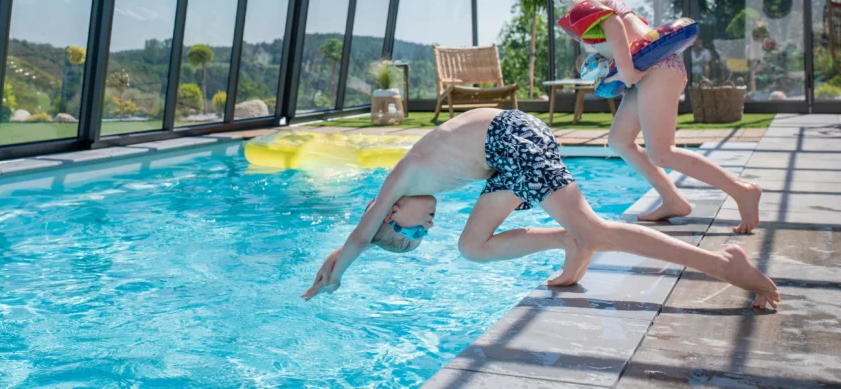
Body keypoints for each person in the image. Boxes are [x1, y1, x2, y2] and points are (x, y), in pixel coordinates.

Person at [300, 108, 778, 309]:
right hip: (506, 151)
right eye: (423, 236)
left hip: (509, 140)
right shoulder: (426, 180)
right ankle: (569, 245)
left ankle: (725, 266)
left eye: (414, 231)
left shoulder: (400, 179)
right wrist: (342, 253)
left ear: (389, 214)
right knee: (471, 246)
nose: (427, 226)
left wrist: (338, 270)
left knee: (597, 230)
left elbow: (362, 233)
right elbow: (362, 234)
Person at [540, 0, 761, 232]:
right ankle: (673, 200)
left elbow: (614, 26)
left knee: (662, 151)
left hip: (656, 70)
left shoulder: (581, 0)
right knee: (620, 140)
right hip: (656, 69)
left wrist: (627, 71)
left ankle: (742, 191)